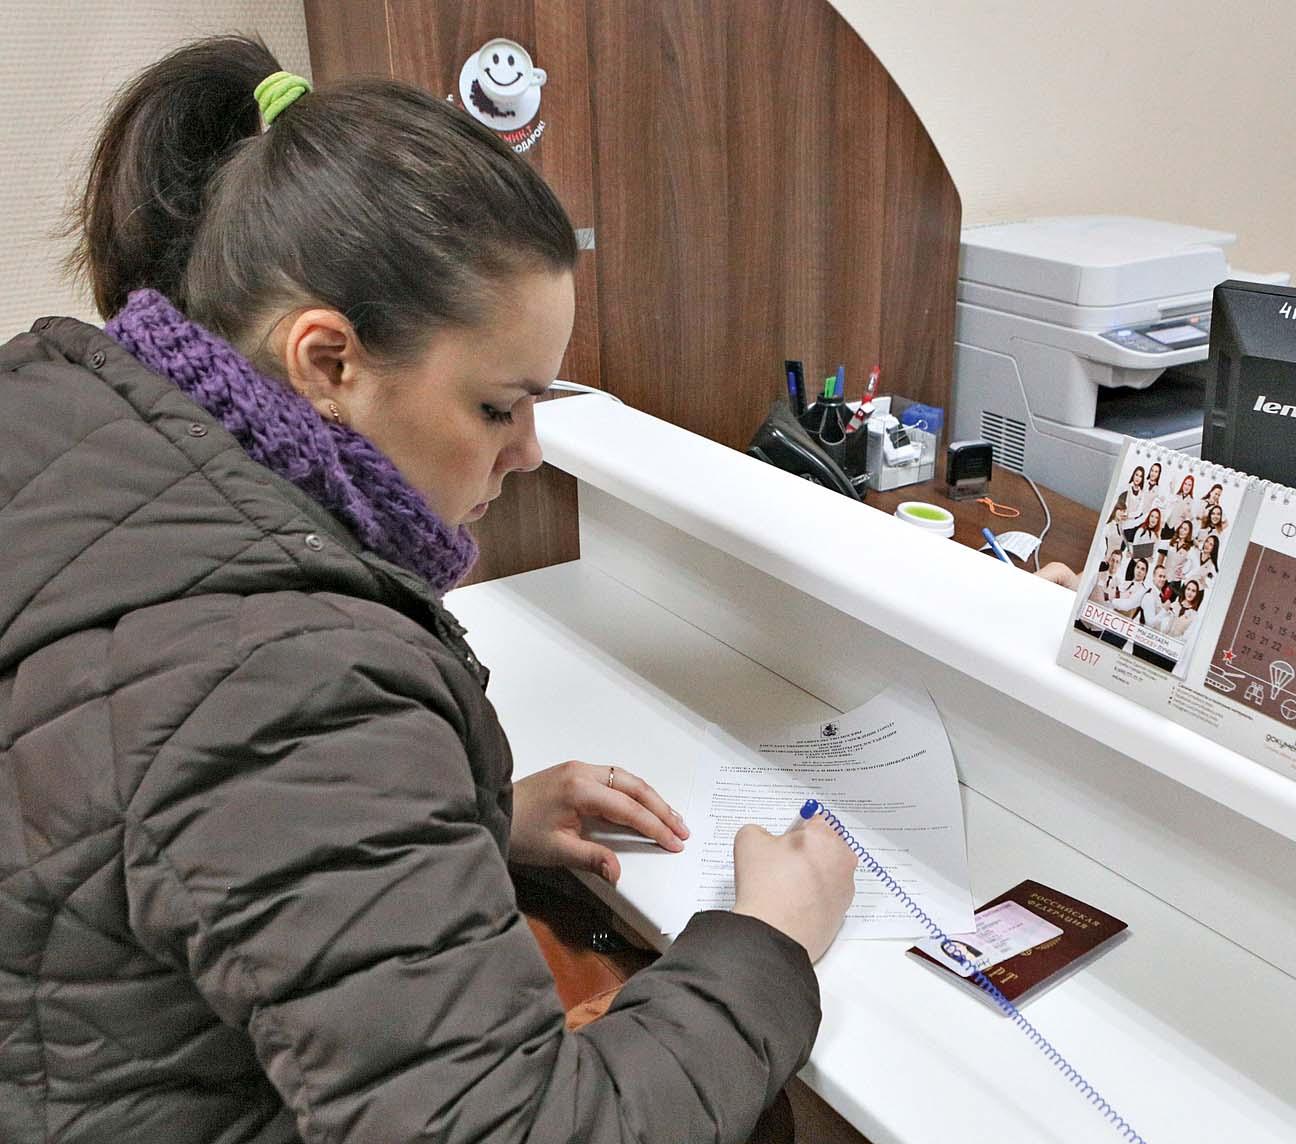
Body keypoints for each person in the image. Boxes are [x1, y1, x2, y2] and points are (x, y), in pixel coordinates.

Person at [0, 36, 855, 1144]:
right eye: (499, 406)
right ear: (328, 363)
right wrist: (770, 941)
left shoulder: (76, 446)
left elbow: (149, 818)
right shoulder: (291, 675)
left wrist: (464, 825)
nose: (529, 450)